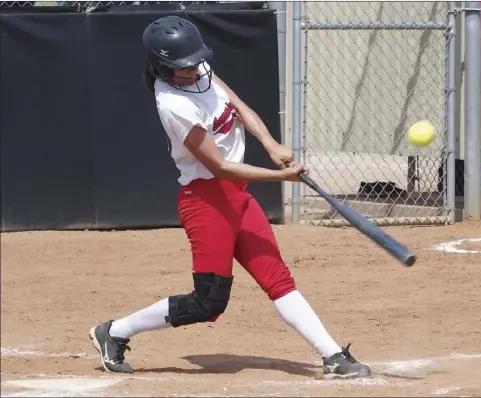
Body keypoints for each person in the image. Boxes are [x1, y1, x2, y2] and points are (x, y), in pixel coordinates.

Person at [89, 16, 371, 379]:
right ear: (163, 66)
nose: (193, 71)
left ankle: (333, 355)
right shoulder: (173, 105)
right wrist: (281, 176)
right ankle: (114, 332)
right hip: (206, 202)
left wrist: (270, 144)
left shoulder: (198, 68)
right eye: (184, 67)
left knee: (277, 278)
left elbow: (236, 105)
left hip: (237, 197)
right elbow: (221, 167)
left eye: (195, 62)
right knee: (208, 302)